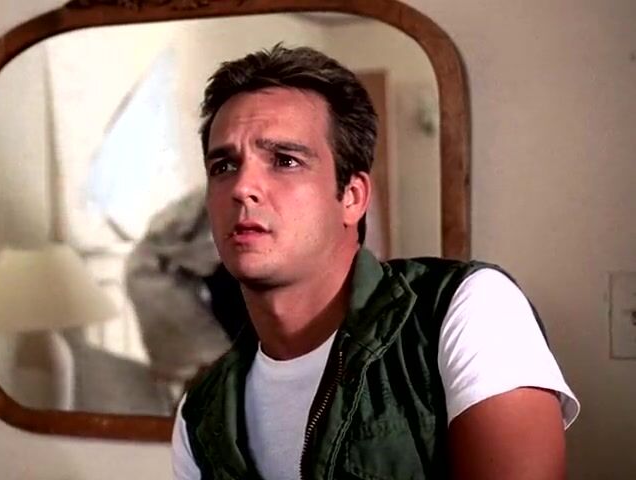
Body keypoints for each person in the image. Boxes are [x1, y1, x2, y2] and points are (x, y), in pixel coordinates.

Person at [171, 44, 579, 479]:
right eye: (223, 166)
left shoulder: (464, 309)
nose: (242, 188)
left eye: (285, 161)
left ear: (352, 197)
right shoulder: (201, 415)